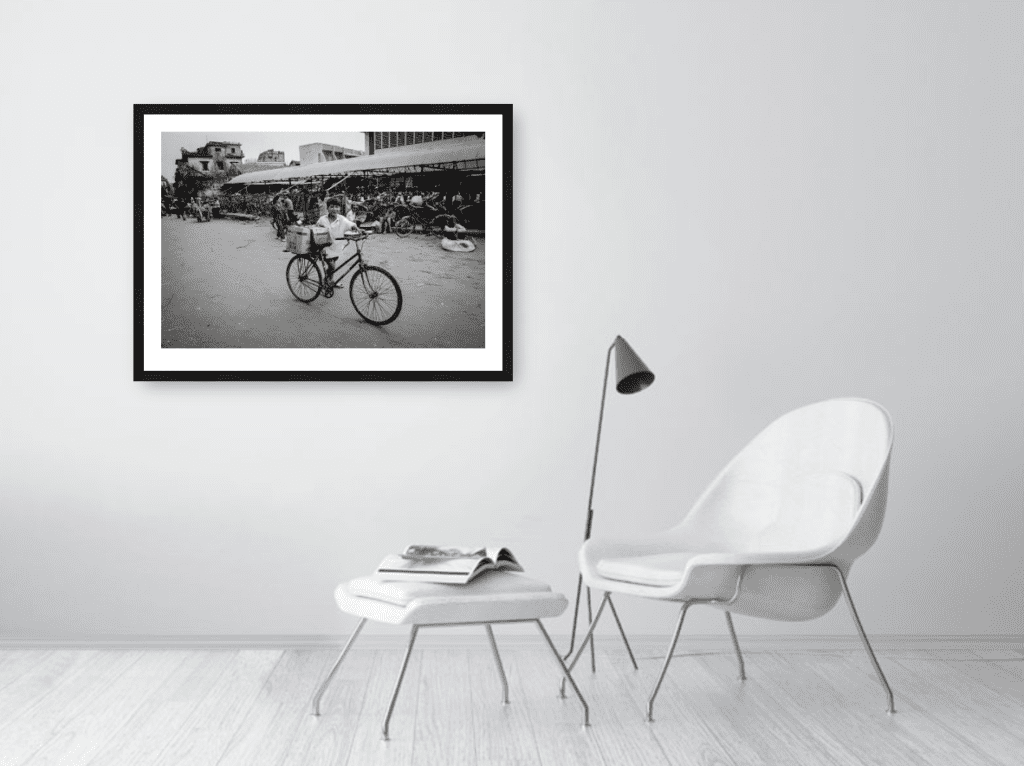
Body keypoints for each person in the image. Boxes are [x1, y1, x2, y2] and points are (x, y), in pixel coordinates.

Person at [316, 197, 360, 278]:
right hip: (325, 248)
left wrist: (356, 228)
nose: (334, 209)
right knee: (332, 266)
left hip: (336, 247)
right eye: (331, 207)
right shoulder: (322, 220)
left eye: (337, 207)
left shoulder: (341, 218)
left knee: (333, 266)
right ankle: (327, 280)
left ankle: (330, 281)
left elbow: (349, 224)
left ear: (339, 208)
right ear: (328, 208)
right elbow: (317, 232)